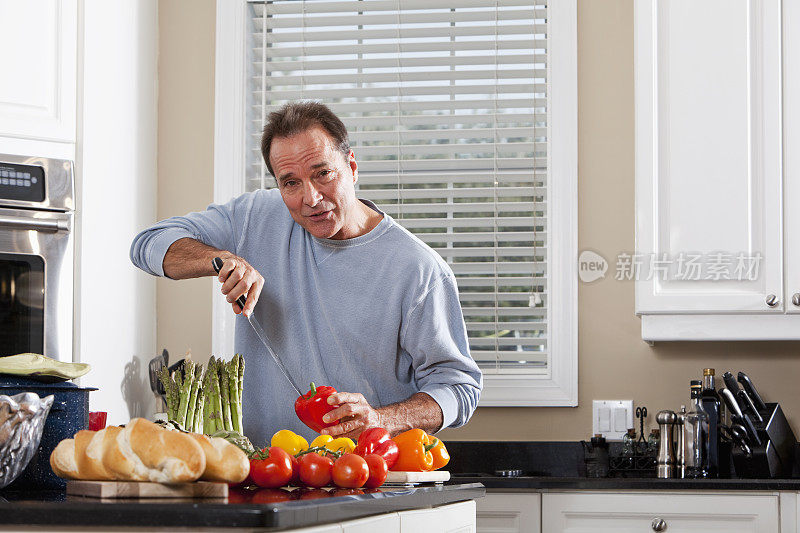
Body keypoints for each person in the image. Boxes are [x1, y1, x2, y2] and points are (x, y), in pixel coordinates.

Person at [130, 101, 482, 445]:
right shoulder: (255, 216)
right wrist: (221, 260)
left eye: (322, 173)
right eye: (291, 183)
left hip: (366, 479)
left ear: (352, 168)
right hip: (265, 474)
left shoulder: (418, 269)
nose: (310, 198)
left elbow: (458, 387)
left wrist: (379, 419)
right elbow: (147, 244)